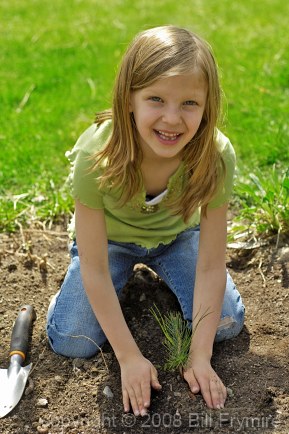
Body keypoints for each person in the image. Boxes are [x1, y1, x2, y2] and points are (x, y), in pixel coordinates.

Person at [46, 25, 245, 417]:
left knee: (226, 325)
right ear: (129, 99)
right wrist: (129, 357)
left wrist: (199, 355)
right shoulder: (96, 153)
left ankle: (163, 279)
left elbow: (209, 263)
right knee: (71, 339)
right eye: (156, 98)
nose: (172, 119)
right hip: (108, 246)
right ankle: (72, 295)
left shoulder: (215, 155)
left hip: (177, 238)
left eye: (190, 103)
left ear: (208, 107)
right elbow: (96, 267)